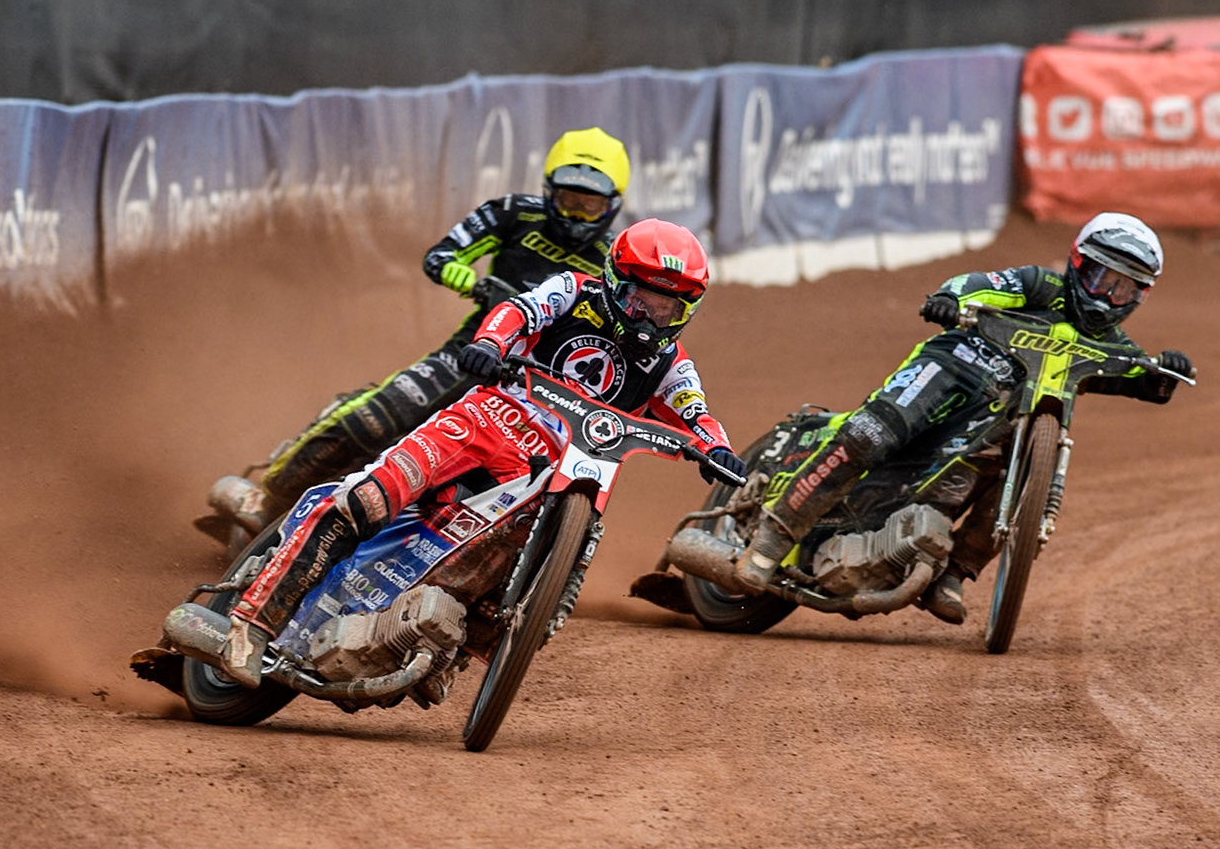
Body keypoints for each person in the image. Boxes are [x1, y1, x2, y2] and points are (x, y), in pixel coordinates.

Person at [218, 218, 744, 688]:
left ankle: (436, 648)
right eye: (642, 297)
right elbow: (520, 311)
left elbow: (693, 410)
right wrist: (492, 346)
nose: (652, 314)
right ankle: (251, 625)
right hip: (482, 421)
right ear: (613, 280)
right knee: (365, 502)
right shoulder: (573, 290)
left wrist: (717, 448)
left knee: (521, 576)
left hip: (549, 470)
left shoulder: (671, 362)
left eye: (668, 305)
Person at [731, 212, 1195, 623]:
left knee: (1025, 477)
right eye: (1100, 278)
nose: (1108, 296)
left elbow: (1143, 378)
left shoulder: (1113, 344)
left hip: (1003, 422)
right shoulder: (1039, 286)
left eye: (1123, 287)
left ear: (1140, 296)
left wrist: (1166, 372)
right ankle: (773, 537)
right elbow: (979, 284)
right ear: (1077, 264)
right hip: (954, 366)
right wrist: (949, 298)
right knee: (874, 432)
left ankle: (950, 576)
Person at [207, 128, 636, 535]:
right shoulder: (512, 212)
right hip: (470, 351)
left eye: (590, 205)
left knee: (528, 484)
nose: (576, 215)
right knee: (376, 418)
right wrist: (477, 285)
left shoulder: (613, 260)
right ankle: (270, 495)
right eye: (567, 200)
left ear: (613, 204)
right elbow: (440, 256)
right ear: (548, 190)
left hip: (539, 385)